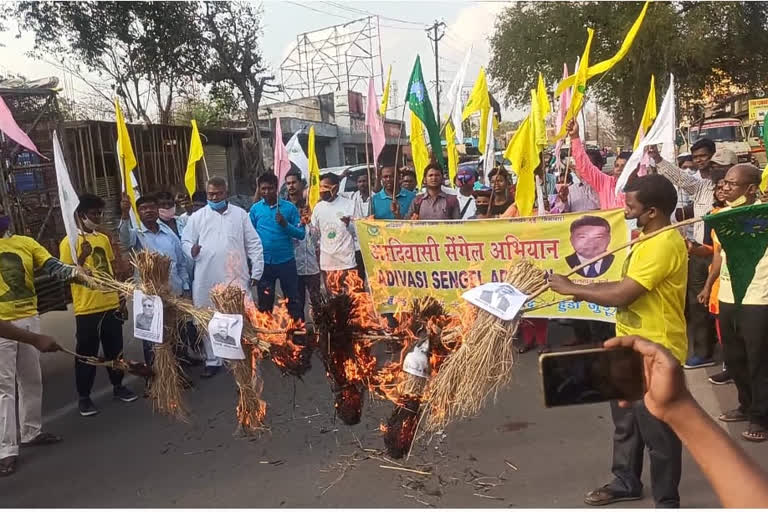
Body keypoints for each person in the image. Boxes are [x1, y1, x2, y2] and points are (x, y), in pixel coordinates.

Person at [549, 174, 687, 507]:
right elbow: (622, 282)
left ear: (652, 211)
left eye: (630, 205)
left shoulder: (664, 244)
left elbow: (625, 293)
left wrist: (574, 289)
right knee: (625, 424)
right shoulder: (644, 238)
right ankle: (626, 481)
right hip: (628, 344)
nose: (624, 209)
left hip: (656, 350)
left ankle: (667, 500)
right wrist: (583, 284)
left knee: (659, 433)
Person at [604, 335, 768, 508]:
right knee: (628, 429)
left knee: (660, 443)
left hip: (659, 343)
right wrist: (678, 407)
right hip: (644, 355)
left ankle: (667, 501)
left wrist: (679, 407)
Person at [0, 211, 84, 476]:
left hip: (29, 318)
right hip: (2, 326)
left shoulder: (26, 243)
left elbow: (53, 268)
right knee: (4, 388)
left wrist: (79, 274)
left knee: (31, 379)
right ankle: (6, 449)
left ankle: (31, 431)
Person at [698, 164, 768, 442]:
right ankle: (746, 405)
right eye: (724, 182)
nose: (724, 187)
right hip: (728, 296)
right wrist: (707, 285)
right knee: (735, 358)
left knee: (759, 361)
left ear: (751, 189)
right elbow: (718, 255)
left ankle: (761, 417)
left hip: (758, 297)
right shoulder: (722, 217)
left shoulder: (763, 216)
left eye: (732, 184)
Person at [58, 194, 138, 417]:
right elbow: (67, 275)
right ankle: (84, 397)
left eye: (100, 213)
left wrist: (120, 299)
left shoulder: (102, 239)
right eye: (94, 213)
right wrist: (81, 258)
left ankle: (118, 385)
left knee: (115, 350)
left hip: (109, 303)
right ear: (81, 215)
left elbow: (111, 271)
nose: (98, 217)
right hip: (87, 308)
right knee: (87, 354)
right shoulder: (69, 243)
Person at [650, 145, 724, 370]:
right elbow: (682, 179)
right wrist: (658, 159)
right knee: (697, 303)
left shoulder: (747, 195)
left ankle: (733, 362)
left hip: (725, 257)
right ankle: (704, 352)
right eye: (698, 158)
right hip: (701, 254)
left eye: (708, 159)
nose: (704, 163)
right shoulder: (702, 188)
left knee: (725, 310)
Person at [181, 176, 264, 378]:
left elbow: (253, 242)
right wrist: (190, 250)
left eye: (218, 194)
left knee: (241, 315)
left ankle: (242, 355)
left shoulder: (240, 215)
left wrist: (257, 270)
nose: (214, 197)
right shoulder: (197, 217)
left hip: (235, 276)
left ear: (226, 193)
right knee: (208, 319)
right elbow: (185, 240)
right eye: (210, 194)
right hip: (206, 278)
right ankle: (213, 359)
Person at [119, 194, 191, 372]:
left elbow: (180, 263)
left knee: (175, 334)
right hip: (148, 297)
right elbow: (124, 241)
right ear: (138, 212)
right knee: (151, 337)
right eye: (143, 208)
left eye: (152, 207)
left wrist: (186, 287)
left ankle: (178, 373)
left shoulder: (168, 233)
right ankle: (156, 377)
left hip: (173, 292)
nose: (148, 211)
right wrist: (124, 214)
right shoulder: (137, 235)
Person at [249, 173, 305, 321]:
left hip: (286, 262)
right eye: (263, 189)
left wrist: (285, 225)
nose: (267, 192)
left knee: (293, 301)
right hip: (265, 263)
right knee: (265, 303)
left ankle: (298, 334)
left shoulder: (289, 208)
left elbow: (301, 234)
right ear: (259, 189)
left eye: (270, 188)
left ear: (277, 189)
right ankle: (267, 336)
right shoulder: (255, 210)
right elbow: (250, 236)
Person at [310, 173, 357, 292]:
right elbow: (314, 236)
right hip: (327, 262)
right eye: (320, 187)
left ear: (335, 188)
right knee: (333, 300)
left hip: (346, 262)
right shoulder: (318, 208)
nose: (321, 190)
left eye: (325, 187)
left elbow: (357, 233)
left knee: (351, 300)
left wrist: (348, 224)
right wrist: (307, 225)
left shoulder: (349, 205)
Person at [567, 120, 629, 209]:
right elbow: (585, 167)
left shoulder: (641, 189)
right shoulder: (605, 183)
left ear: (634, 169)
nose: (619, 169)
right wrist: (575, 137)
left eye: (624, 166)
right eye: (617, 165)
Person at [285, 172, 322, 322]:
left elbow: (316, 238)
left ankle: (320, 330)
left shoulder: (311, 205)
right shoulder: (284, 209)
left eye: (294, 182)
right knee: (296, 303)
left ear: (300, 184)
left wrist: (309, 222)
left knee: (317, 302)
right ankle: (300, 335)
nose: (291, 186)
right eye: (288, 183)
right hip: (295, 267)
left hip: (312, 267)